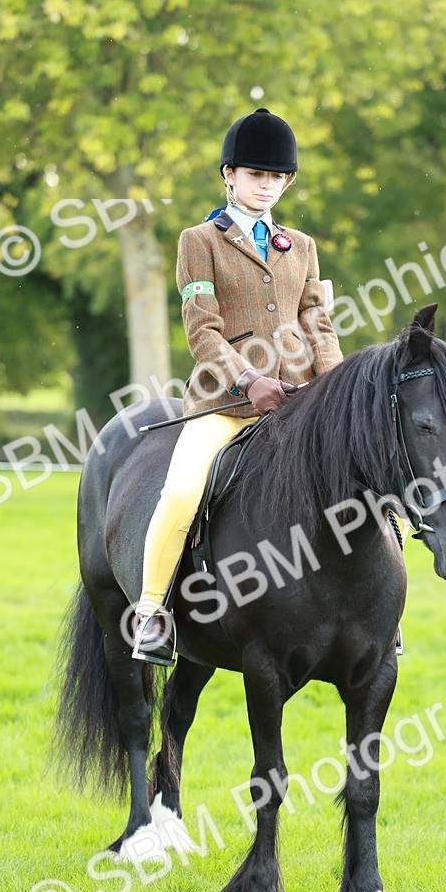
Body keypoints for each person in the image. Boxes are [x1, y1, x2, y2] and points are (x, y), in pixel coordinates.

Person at [132, 107, 343, 664]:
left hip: (299, 401)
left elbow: (317, 322)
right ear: (229, 174)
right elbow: (201, 329)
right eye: (256, 175)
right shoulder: (198, 241)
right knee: (182, 492)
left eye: (276, 177)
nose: (266, 185)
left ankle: (376, 615)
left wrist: (334, 389)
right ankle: (152, 613)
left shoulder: (301, 245)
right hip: (224, 404)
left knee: (363, 476)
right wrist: (248, 379)